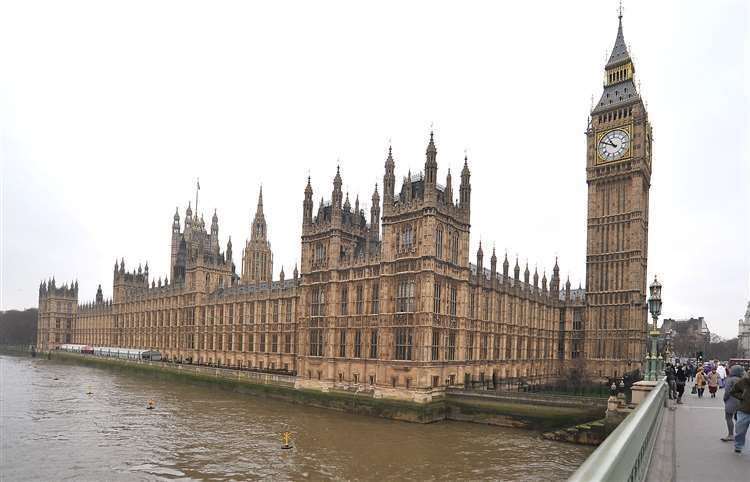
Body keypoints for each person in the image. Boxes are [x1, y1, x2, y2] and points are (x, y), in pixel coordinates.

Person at [722, 365, 746, 442]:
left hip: (731, 401)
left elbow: (727, 392)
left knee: (728, 417)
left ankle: (730, 435)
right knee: (739, 419)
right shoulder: (743, 380)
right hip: (741, 402)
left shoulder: (730, 380)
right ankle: (739, 435)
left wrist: (725, 399)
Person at [729, 369, 750, 453]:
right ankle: (738, 445)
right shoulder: (743, 382)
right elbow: (733, 392)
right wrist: (742, 396)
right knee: (740, 431)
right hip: (744, 410)